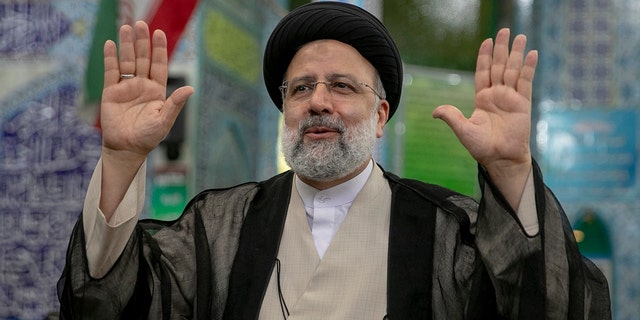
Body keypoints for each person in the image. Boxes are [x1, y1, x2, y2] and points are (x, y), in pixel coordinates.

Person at [57, 2, 611, 319]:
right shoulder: (219, 225)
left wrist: (511, 170)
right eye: (300, 89)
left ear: (380, 116)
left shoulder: (450, 231)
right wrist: (123, 158)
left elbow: (551, 308)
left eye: (342, 86)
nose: (318, 100)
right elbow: (110, 303)